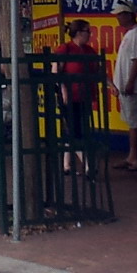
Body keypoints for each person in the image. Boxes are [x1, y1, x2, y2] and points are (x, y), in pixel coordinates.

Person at [112, 0, 137, 172]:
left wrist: (130, 82)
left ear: (129, 15)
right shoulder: (130, 34)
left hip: (136, 88)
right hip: (128, 88)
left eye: (120, 15)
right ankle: (132, 156)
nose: (118, 18)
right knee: (133, 123)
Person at [56, 19, 98, 175]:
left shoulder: (89, 51)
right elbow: (56, 72)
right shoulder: (65, 49)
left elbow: (97, 70)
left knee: (75, 129)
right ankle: (87, 164)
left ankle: (66, 164)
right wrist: (63, 89)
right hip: (69, 96)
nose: (90, 35)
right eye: (88, 31)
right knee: (75, 130)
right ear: (79, 33)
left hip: (84, 96)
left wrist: (111, 84)